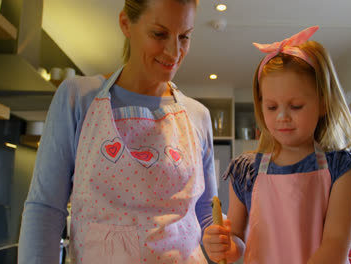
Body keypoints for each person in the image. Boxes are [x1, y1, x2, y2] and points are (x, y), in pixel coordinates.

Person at [18, 0, 218, 263]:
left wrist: (229, 238)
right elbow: (45, 210)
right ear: (126, 23)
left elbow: (207, 213)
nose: (174, 51)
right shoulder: (78, 99)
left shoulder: (198, 116)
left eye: (184, 37)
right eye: (159, 34)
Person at [203, 26, 351, 264]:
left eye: (296, 106)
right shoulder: (245, 171)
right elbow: (239, 238)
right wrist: (224, 245)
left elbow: (335, 245)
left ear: (323, 103)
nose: (282, 117)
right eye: (271, 107)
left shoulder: (341, 169)